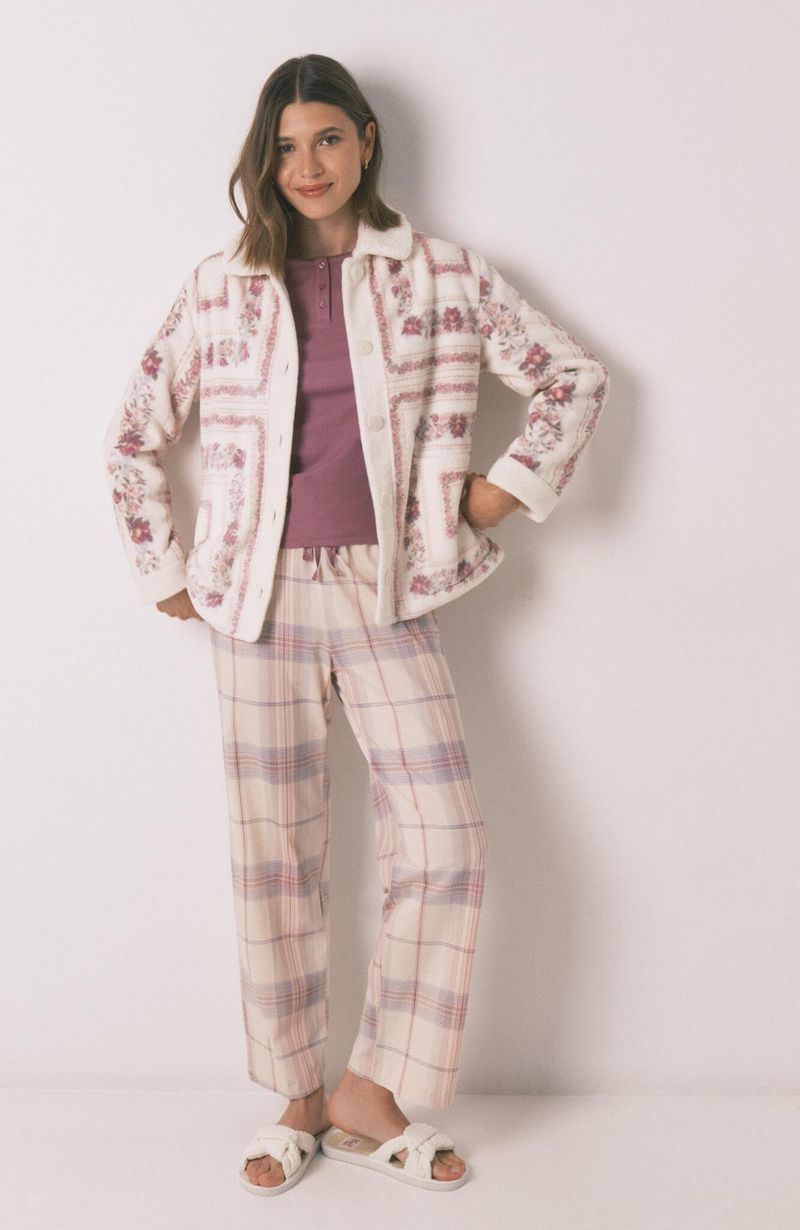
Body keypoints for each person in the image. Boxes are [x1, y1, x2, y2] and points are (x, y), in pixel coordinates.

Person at [102, 53, 610, 1194]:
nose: (307, 165)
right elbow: (133, 433)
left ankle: (367, 1092)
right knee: (274, 852)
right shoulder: (221, 286)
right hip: (254, 601)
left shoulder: (440, 276)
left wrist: (498, 492)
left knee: (446, 838)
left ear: (366, 142)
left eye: (326, 138)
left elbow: (570, 378)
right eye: (284, 147)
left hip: (387, 590)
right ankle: (293, 1093)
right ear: (263, 160)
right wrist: (163, 566)